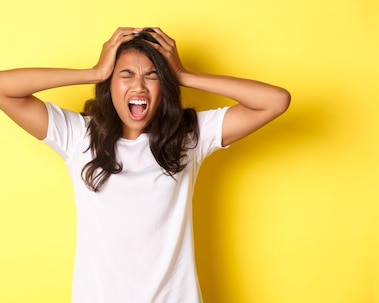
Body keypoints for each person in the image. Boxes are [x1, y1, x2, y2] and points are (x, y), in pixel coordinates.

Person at [0, 27, 290, 302]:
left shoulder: (188, 137)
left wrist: (182, 74)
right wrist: (94, 72)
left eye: (152, 76)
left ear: (164, 87)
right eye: (125, 74)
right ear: (109, 85)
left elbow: (275, 101)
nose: (138, 85)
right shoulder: (78, 136)